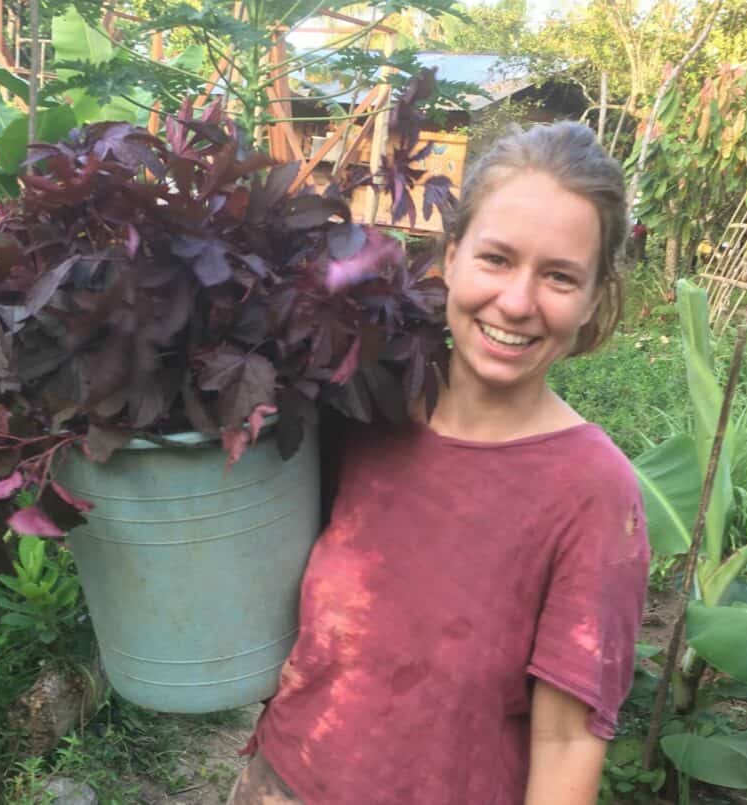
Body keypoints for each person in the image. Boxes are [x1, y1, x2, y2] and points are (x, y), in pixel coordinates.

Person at [228, 122, 651, 805]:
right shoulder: (363, 407)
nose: (517, 301)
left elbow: (567, 741)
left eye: (559, 276)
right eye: (497, 259)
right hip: (279, 782)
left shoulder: (591, 490)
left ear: (593, 300)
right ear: (451, 257)